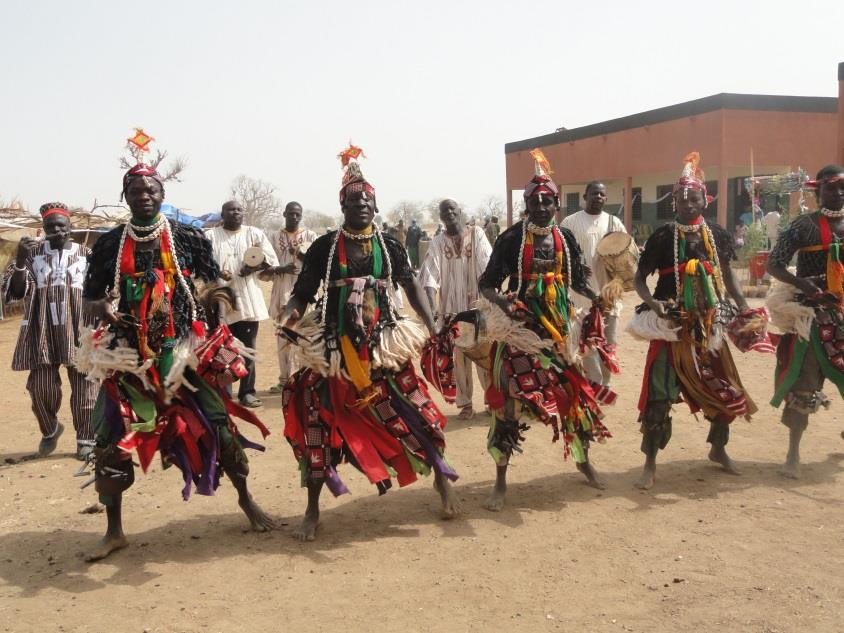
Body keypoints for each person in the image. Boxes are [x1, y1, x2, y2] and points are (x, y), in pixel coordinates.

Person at [80, 163, 274, 562]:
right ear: (126, 196)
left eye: (151, 189)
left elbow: (213, 283)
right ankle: (114, 531)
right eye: (136, 190)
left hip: (183, 353)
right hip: (129, 358)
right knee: (108, 442)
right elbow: (91, 295)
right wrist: (102, 305)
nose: (144, 196)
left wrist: (214, 319)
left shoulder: (187, 237)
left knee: (220, 428)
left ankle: (246, 499)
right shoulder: (109, 245)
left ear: (162, 195)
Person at [279, 146, 459, 541]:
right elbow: (304, 291)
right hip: (335, 349)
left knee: (419, 413)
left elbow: (412, 287)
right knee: (317, 424)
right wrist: (289, 315)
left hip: (384, 345)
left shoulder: (389, 245)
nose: (360, 204)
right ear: (341, 204)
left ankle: (442, 482)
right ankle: (312, 509)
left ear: (375, 204)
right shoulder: (325, 246)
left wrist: (431, 325)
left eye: (366, 199)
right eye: (352, 199)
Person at [476, 149, 613, 511]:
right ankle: (501, 482)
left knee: (575, 398)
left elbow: (579, 280)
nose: (540, 207)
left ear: (555, 203)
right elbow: (487, 284)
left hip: (558, 332)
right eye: (534, 201)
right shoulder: (510, 239)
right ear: (525, 204)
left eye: (546, 201)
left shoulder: (565, 239)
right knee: (506, 405)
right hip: (520, 330)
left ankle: (584, 463)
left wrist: (597, 298)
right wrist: (504, 304)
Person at [630, 152, 756, 490]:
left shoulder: (716, 234)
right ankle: (650, 463)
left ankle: (718, 449)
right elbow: (639, 280)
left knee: (725, 391)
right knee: (658, 400)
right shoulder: (662, 237)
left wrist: (743, 307)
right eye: (682, 198)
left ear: (705, 199)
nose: (688, 203)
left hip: (709, 326)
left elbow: (728, 277)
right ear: (674, 201)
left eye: (694, 197)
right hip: (671, 328)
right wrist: (654, 305)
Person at [2, 202, 98, 459]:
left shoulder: (87, 255)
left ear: (70, 228)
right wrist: (21, 261)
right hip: (41, 328)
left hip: (80, 328)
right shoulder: (30, 254)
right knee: (40, 386)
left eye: (61, 226)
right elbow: (16, 293)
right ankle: (50, 429)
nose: (56, 230)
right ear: (43, 229)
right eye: (50, 226)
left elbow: (103, 288)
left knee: (86, 386)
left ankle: (86, 440)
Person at [766, 164, 844, 478]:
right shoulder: (803, 226)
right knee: (804, 384)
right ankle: (793, 455)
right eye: (831, 188)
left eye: (842, 188)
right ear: (817, 191)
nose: (838, 194)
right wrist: (805, 286)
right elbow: (775, 264)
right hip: (811, 318)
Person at [420, 198, 492, 418]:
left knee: (485, 357)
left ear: (460, 211)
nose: (449, 212)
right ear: (441, 217)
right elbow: (430, 278)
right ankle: (466, 404)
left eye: (452, 208)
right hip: (451, 313)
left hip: (477, 309)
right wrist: (433, 311)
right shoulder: (437, 243)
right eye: (444, 211)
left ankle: (492, 401)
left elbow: (487, 266)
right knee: (459, 361)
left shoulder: (477, 234)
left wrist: (487, 305)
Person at [207, 201, 279, 407]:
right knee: (223, 348)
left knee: (248, 348)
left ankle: (247, 392)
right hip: (220, 300)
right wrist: (217, 272)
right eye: (231, 209)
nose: (235, 212)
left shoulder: (254, 234)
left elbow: (270, 261)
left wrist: (253, 267)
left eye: (239, 209)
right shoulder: (211, 236)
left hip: (247, 300)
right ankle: (224, 392)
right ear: (222, 213)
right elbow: (202, 263)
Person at [560, 181, 630, 386]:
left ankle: (604, 385)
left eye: (601, 194)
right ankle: (595, 384)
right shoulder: (569, 222)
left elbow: (627, 255)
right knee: (587, 342)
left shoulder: (614, 223)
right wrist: (576, 266)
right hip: (579, 296)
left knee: (609, 342)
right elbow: (560, 253)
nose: (598, 197)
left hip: (608, 296)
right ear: (585, 197)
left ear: (606, 198)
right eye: (594, 193)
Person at [261, 202, 317, 393]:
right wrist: (281, 269)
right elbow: (265, 267)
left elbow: (317, 263)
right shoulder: (274, 237)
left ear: (301, 216)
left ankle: (304, 379)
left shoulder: (310, 236)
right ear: (284, 214)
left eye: (297, 214)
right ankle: (285, 379)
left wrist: (299, 254)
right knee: (283, 337)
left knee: (305, 336)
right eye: (291, 214)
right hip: (282, 290)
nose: (294, 217)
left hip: (305, 292)